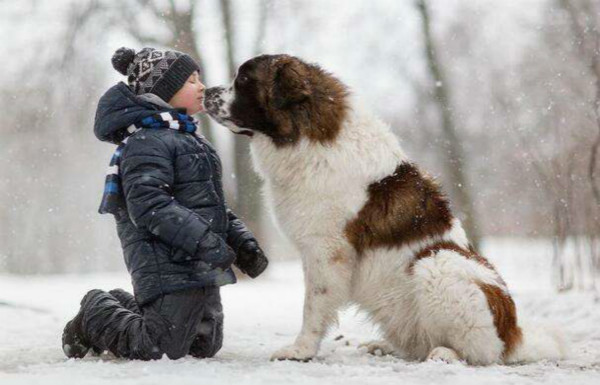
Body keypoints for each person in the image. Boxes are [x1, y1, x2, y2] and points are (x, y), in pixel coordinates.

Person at [62, 47, 268, 361]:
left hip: (199, 260)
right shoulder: (146, 142)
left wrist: (242, 243)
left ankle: (125, 304)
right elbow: (149, 205)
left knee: (203, 345)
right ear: (161, 93)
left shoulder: (193, 141)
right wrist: (205, 242)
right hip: (164, 259)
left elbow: (211, 205)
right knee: (158, 346)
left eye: (199, 78)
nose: (201, 86)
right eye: (189, 81)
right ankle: (95, 312)